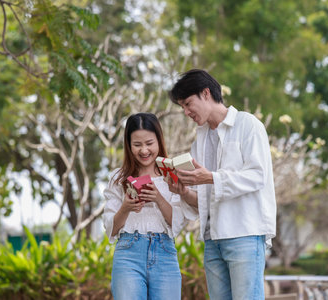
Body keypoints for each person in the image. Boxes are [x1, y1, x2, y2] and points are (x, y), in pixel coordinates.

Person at [167, 69, 277, 300]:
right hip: (212, 239)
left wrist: (211, 177)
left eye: (188, 104)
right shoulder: (201, 138)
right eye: (183, 108)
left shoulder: (248, 125)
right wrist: (184, 191)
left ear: (206, 93)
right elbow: (204, 200)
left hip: (245, 235)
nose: (186, 112)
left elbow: (258, 176)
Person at [103, 112, 196, 300]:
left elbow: (177, 224)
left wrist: (159, 199)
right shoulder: (117, 178)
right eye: (137, 145)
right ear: (128, 145)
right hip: (128, 253)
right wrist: (126, 207)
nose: (144, 151)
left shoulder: (172, 176)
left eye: (149, 143)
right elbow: (110, 228)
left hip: (165, 253)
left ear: (159, 141)